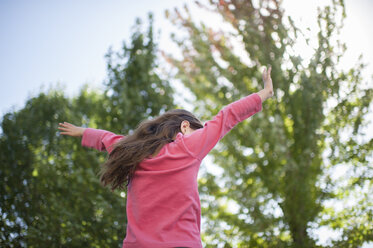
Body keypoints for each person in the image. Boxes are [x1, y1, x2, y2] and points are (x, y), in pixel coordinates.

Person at [58, 66, 274, 248]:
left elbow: (108, 139)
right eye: (196, 130)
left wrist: (83, 132)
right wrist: (265, 92)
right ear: (185, 126)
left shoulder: (133, 152)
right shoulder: (188, 146)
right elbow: (227, 116)